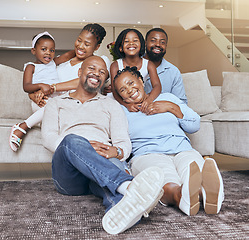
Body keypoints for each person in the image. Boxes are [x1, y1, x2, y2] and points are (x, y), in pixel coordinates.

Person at [41, 56, 165, 235]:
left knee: (111, 169)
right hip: (69, 175)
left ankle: (122, 211)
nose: (96, 74)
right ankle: (128, 185)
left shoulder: (111, 105)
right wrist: (84, 147)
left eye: (102, 72)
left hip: (101, 164)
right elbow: (48, 138)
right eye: (91, 68)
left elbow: (123, 142)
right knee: (71, 140)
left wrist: (118, 151)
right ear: (80, 72)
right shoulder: (56, 103)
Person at [113, 66, 224, 216]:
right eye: (123, 90)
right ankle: (180, 196)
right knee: (163, 176)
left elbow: (194, 125)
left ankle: (204, 193)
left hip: (181, 148)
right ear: (121, 96)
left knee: (191, 167)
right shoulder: (121, 111)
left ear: (141, 80)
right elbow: (119, 141)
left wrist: (171, 107)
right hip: (148, 154)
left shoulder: (168, 98)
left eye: (131, 83)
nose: (129, 90)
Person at [9, 31, 76, 151]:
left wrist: (80, 48)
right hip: (40, 101)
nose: (48, 53)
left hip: (55, 99)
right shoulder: (31, 66)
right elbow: (26, 86)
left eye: (52, 50)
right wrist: (41, 85)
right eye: (44, 49)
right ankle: (22, 127)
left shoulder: (53, 63)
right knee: (50, 108)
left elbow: (67, 56)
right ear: (34, 51)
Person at [110, 28, 161, 113]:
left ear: (141, 44)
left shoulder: (149, 64)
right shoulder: (115, 66)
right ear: (120, 48)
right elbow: (115, 91)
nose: (131, 43)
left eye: (135, 40)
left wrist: (149, 100)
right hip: (124, 101)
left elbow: (157, 86)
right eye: (126, 41)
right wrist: (127, 105)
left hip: (141, 98)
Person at [144, 28, 187, 104]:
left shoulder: (174, 72)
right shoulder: (134, 65)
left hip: (165, 113)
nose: (158, 44)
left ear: (166, 46)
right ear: (145, 43)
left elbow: (181, 103)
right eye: (153, 41)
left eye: (162, 42)